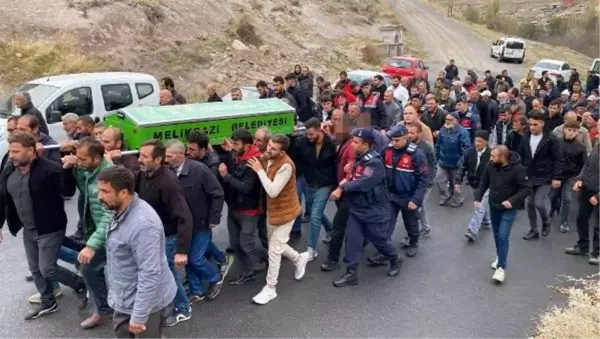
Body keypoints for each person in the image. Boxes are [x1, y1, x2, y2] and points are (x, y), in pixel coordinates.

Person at [0, 131, 87, 320]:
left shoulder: (50, 169)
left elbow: (67, 191)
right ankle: (48, 302)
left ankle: (80, 283)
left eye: (16, 151)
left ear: (31, 150)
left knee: (47, 268)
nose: (11, 155)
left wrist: (66, 169)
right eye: (10, 151)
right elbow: (2, 199)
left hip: (50, 227)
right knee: (35, 268)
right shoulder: (9, 170)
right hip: (28, 229)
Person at [97, 166, 177, 338]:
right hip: (124, 299)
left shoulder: (143, 225)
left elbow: (149, 273)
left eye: (105, 191)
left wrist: (139, 316)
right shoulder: (119, 208)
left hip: (145, 305)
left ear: (124, 193)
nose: (99, 196)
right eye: (99, 190)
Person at [164, 140, 228, 323]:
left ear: (180, 154)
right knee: (188, 258)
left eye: (169, 156)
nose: (165, 159)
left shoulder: (199, 170)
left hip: (201, 224)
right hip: (183, 226)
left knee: (194, 258)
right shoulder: (169, 172)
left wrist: (215, 218)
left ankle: (215, 278)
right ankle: (197, 289)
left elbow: (217, 193)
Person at [330, 128, 402, 287]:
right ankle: (351, 273)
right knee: (352, 239)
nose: (352, 145)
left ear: (367, 144)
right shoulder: (359, 158)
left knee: (379, 240)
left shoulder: (374, 163)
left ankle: (395, 258)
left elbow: (363, 184)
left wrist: (343, 188)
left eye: (356, 142)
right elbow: (353, 176)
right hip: (357, 208)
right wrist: (349, 172)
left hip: (373, 210)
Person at [246, 134, 310, 304]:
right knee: (277, 244)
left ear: (282, 152)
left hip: (287, 213)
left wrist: (259, 170)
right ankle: (298, 258)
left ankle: (270, 288)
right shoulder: (268, 157)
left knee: (274, 250)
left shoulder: (286, 165)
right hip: (273, 212)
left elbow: (273, 191)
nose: (269, 150)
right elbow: (253, 159)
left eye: (274, 149)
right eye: (269, 146)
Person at [135, 139, 194, 325]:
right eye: (139, 154)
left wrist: (182, 250)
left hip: (168, 237)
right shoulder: (143, 175)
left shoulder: (167, 182)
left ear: (158, 159)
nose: (139, 159)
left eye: (144, 156)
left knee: (168, 273)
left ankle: (183, 308)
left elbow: (184, 216)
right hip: (152, 236)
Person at [61, 137, 114, 329]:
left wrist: (91, 245)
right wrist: (72, 164)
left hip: (115, 235)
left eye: (83, 159)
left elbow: (110, 217)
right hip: (100, 233)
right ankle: (103, 310)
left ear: (98, 158)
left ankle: (141, 319)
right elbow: (68, 189)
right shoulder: (89, 171)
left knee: (124, 277)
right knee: (89, 269)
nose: (79, 161)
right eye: (78, 157)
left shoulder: (110, 176)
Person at [474, 145, 530, 283]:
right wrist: (478, 198)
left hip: (509, 208)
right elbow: (484, 182)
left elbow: (525, 189)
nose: (490, 159)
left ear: (503, 157)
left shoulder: (518, 169)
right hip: (494, 205)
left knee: (503, 236)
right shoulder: (491, 165)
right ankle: (500, 256)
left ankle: (501, 268)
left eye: (493, 156)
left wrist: (512, 201)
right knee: (497, 234)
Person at [219, 128, 263, 285]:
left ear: (247, 145)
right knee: (235, 244)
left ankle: (267, 259)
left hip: (248, 210)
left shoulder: (254, 162)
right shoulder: (237, 155)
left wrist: (226, 176)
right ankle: (248, 271)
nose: (234, 146)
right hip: (234, 207)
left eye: (237, 144)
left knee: (246, 244)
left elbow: (246, 187)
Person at [379, 124, 428, 258]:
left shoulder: (417, 154)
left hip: (409, 197)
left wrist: (416, 199)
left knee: (411, 224)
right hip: (391, 196)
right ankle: (384, 252)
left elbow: (423, 179)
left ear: (406, 137)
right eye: (392, 140)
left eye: (397, 140)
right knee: (386, 224)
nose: (394, 143)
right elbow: (377, 165)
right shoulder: (386, 150)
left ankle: (413, 243)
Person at [290, 117, 336, 260]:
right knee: (318, 212)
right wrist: (291, 138)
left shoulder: (331, 143)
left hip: (325, 184)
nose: (308, 137)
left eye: (311, 134)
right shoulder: (303, 142)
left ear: (319, 131)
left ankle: (311, 249)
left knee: (315, 215)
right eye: (307, 134)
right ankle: (330, 229)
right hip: (310, 182)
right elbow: (293, 155)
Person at [519, 112, 563, 240]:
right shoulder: (525, 137)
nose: (532, 127)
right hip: (530, 175)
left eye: (535, 124)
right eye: (530, 124)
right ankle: (533, 230)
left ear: (542, 124)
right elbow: (521, 156)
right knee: (530, 204)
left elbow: (558, 159)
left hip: (546, 176)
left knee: (539, 203)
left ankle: (546, 221)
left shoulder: (551, 138)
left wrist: (557, 177)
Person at [549, 120, 586, 233]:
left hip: (570, 176)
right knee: (552, 196)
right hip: (557, 175)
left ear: (577, 133)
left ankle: (564, 222)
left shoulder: (580, 147)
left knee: (567, 198)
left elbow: (584, 164)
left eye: (574, 131)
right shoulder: (557, 142)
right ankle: (553, 207)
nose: (571, 133)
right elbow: (550, 159)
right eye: (569, 130)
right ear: (564, 130)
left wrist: (579, 178)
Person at [458, 131, 492, 241]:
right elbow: (462, 167)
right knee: (481, 206)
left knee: (479, 207)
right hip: (473, 182)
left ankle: (472, 230)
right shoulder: (469, 152)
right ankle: (486, 222)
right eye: (476, 140)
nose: (477, 143)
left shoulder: (491, 154)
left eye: (480, 141)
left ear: (486, 142)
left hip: (487, 184)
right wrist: (458, 181)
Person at [434, 111, 471, 207]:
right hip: (443, 161)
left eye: (451, 120)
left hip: (456, 163)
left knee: (456, 183)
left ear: (457, 121)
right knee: (439, 180)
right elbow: (438, 144)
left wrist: (462, 162)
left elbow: (466, 149)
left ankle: (458, 200)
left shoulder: (463, 132)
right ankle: (445, 196)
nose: (448, 121)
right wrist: (437, 158)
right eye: (447, 119)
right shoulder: (442, 129)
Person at [407, 122, 436, 238]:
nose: (409, 135)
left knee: (418, 205)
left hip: (424, 182)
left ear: (419, 133)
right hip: (412, 181)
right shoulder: (407, 145)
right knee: (419, 206)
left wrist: (428, 182)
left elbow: (433, 165)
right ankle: (423, 227)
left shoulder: (427, 147)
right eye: (408, 132)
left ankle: (420, 230)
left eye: (412, 133)